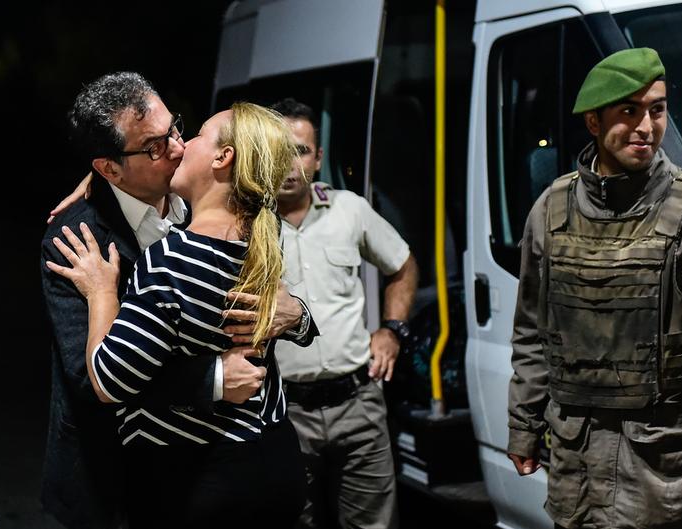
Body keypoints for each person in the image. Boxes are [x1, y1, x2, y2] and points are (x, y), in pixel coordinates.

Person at [506, 48, 682, 529]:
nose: (646, 127)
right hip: (578, 465)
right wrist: (524, 426)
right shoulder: (549, 212)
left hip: (665, 468)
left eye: (656, 109)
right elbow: (533, 332)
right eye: (628, 111)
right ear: (593, 121)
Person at [40, 73, 315, 529]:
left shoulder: (232, 217)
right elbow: (90, 382)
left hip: (217, 471)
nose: (177, 147)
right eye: (154, 145)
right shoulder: (76, 238)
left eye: (176, 128)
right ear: (108, 168)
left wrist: (297, 315)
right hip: (118, 477)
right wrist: (214, 377)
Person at [269, 97, 419, 529]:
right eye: (278, 149)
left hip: (358, 403)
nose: (289, 162)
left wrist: (391, 330)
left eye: (299, 150)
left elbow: (403, 266)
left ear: (317, 158)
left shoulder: (348, 209)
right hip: (284, 412)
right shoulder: (246, 222)